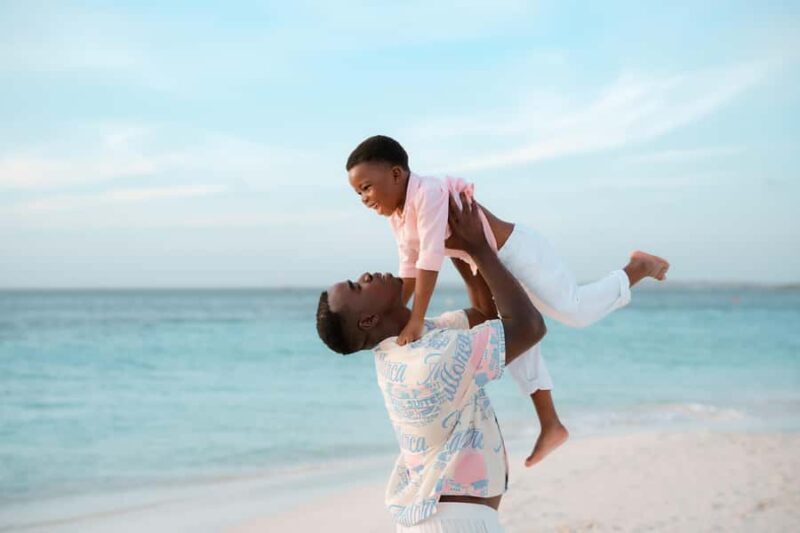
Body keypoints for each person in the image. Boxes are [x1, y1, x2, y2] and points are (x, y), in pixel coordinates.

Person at [346, 135, 670, 467]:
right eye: (358, 192)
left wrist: (416, 318)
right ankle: (551, 424)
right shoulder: (397, 217)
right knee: (511, 342)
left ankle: (637, 268)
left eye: (367, 187)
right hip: (491, 268)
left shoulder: (427, 192)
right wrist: (393, 315)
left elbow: (430, 258)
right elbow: (409, 266)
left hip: (518, 253)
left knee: (576, 311)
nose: (363, 198)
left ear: (397, 174)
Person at [316, 193, 545, 531]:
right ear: (367, 321)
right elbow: (529, 327)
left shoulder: (412, 342)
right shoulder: (428, 361)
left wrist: (450, 244)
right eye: (356, 286)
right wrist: (480, 248)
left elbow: (483, 314)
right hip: (452, 522)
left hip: (445, 519)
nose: (365, 275)